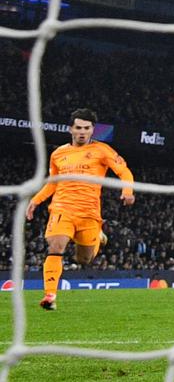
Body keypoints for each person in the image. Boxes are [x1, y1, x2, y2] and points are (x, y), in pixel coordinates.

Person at [25, 108, 134, 311]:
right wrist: (36, 200)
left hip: (89, 213)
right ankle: (50, 295)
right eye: (78, 128)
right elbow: (53, 182)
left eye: (87, 128)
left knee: (84, 259)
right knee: (55, 246)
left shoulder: (103, 151)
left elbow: (123, 171)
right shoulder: (59, 154)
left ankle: (98, 236)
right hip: (62, 208)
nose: (82, 132)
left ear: (93, 130)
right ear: (70, 129)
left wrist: (127, 191)